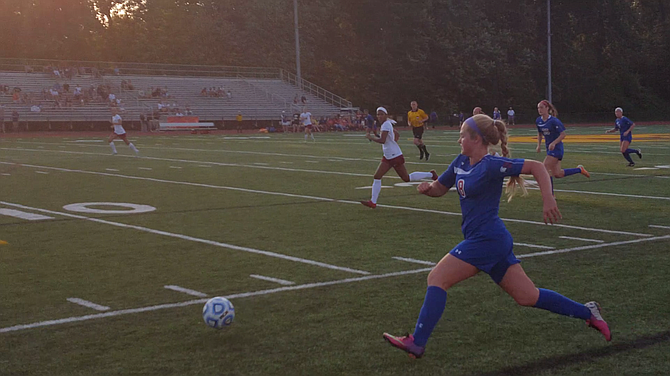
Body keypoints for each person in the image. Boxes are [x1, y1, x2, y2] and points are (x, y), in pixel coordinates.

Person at [382, 114, 611, 358]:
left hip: (487, 239)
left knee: (437, 278)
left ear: (477, 139)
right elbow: (440, 188)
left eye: (462, 135)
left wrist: (548, 199)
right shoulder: (461, 161)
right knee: (527, 296)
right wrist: (428, 190)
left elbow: (536, 167)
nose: (459, 140)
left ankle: (417, 342)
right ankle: (589, 312)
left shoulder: (491, 164)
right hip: (490, 241)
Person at [361, 107, 438, 209]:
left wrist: (371, 138)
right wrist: (393, 142)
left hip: (394, 156)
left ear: (386, 115)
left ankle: (431, 174)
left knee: (406, 178)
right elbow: (397, 134)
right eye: (378, 114)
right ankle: (373, 202)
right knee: (377, 176)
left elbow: (383, 140)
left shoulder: (386, 124)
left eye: (381, 114)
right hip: (389, 155)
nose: (379, 116)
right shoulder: (387, 124)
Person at [535, 100, 590, 195]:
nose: (540, 110)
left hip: (557, 149)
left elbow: (563, 134)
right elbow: (540, 133)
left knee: (544, 168)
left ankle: (550, 195)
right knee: (557, 174)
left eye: (542, 107)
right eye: (538, 108)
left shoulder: (554, 121)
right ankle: (579, 170)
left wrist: (554, 143)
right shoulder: (538, 121)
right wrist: (538, 145)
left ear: (547, 108)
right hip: (550, 149)